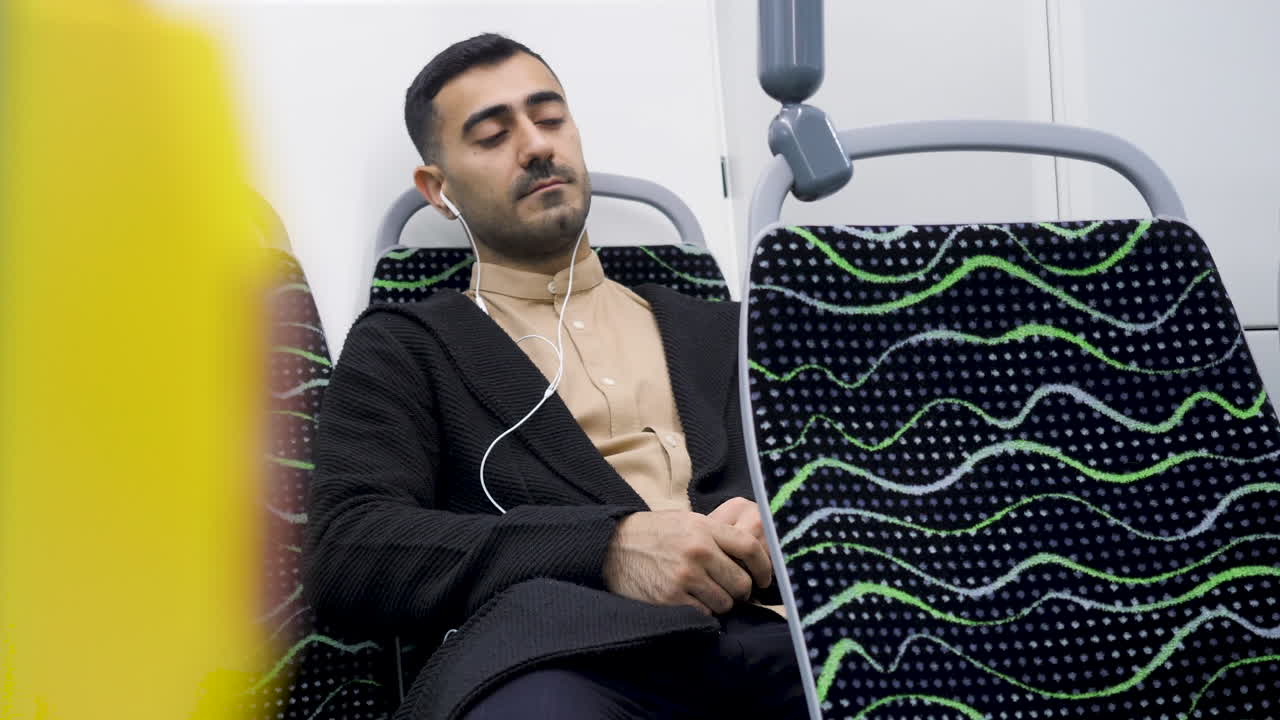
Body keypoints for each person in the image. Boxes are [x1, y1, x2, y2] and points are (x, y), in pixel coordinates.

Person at [303, 33, 807, 720]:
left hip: (784, 641)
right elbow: (351, 550)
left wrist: (779, 528)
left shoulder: (728, 330)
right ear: (437, 191)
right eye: (491, 134)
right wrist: (608, 546)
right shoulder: (406, 347)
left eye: (550, 117)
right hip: (565, 662)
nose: (537, 146)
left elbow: (854, 494)